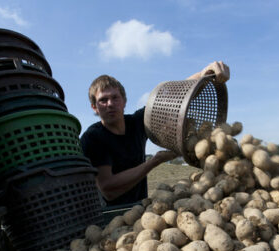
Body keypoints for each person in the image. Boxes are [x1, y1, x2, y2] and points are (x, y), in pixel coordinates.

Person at [80, 61, 230, 206]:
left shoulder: (137, 122)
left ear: (124, 101)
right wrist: (154, 161)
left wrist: (205, 72)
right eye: (103, 100)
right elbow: (108, 190)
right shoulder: (93, 138)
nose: (110, 104)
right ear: (94, 107)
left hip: (140, 206)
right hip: (110, 214)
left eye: (114, 97)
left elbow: (176, 97)